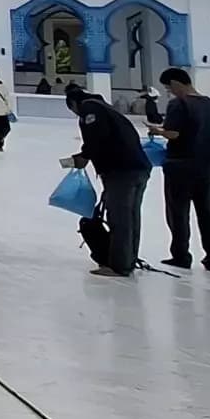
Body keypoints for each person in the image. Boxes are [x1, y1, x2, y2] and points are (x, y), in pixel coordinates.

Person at [68, 87, 150, 277]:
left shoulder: (89, 108)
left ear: (73, 104)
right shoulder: (107, 108)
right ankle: (127, 259)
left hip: (120, 170)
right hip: (137, 168)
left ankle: (119, 265)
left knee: (119, 218)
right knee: (131, 217)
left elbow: (97, 136)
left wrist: (84, 156)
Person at [152, 68, 210, 271]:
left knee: (178, 212)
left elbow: (173, 133)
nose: (170, 92)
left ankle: (181, 255)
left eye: (169, 87)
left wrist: (157, 131)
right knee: (208, 212)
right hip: (209, 167)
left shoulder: (179, 103)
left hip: (181, 166)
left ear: (177, 83)